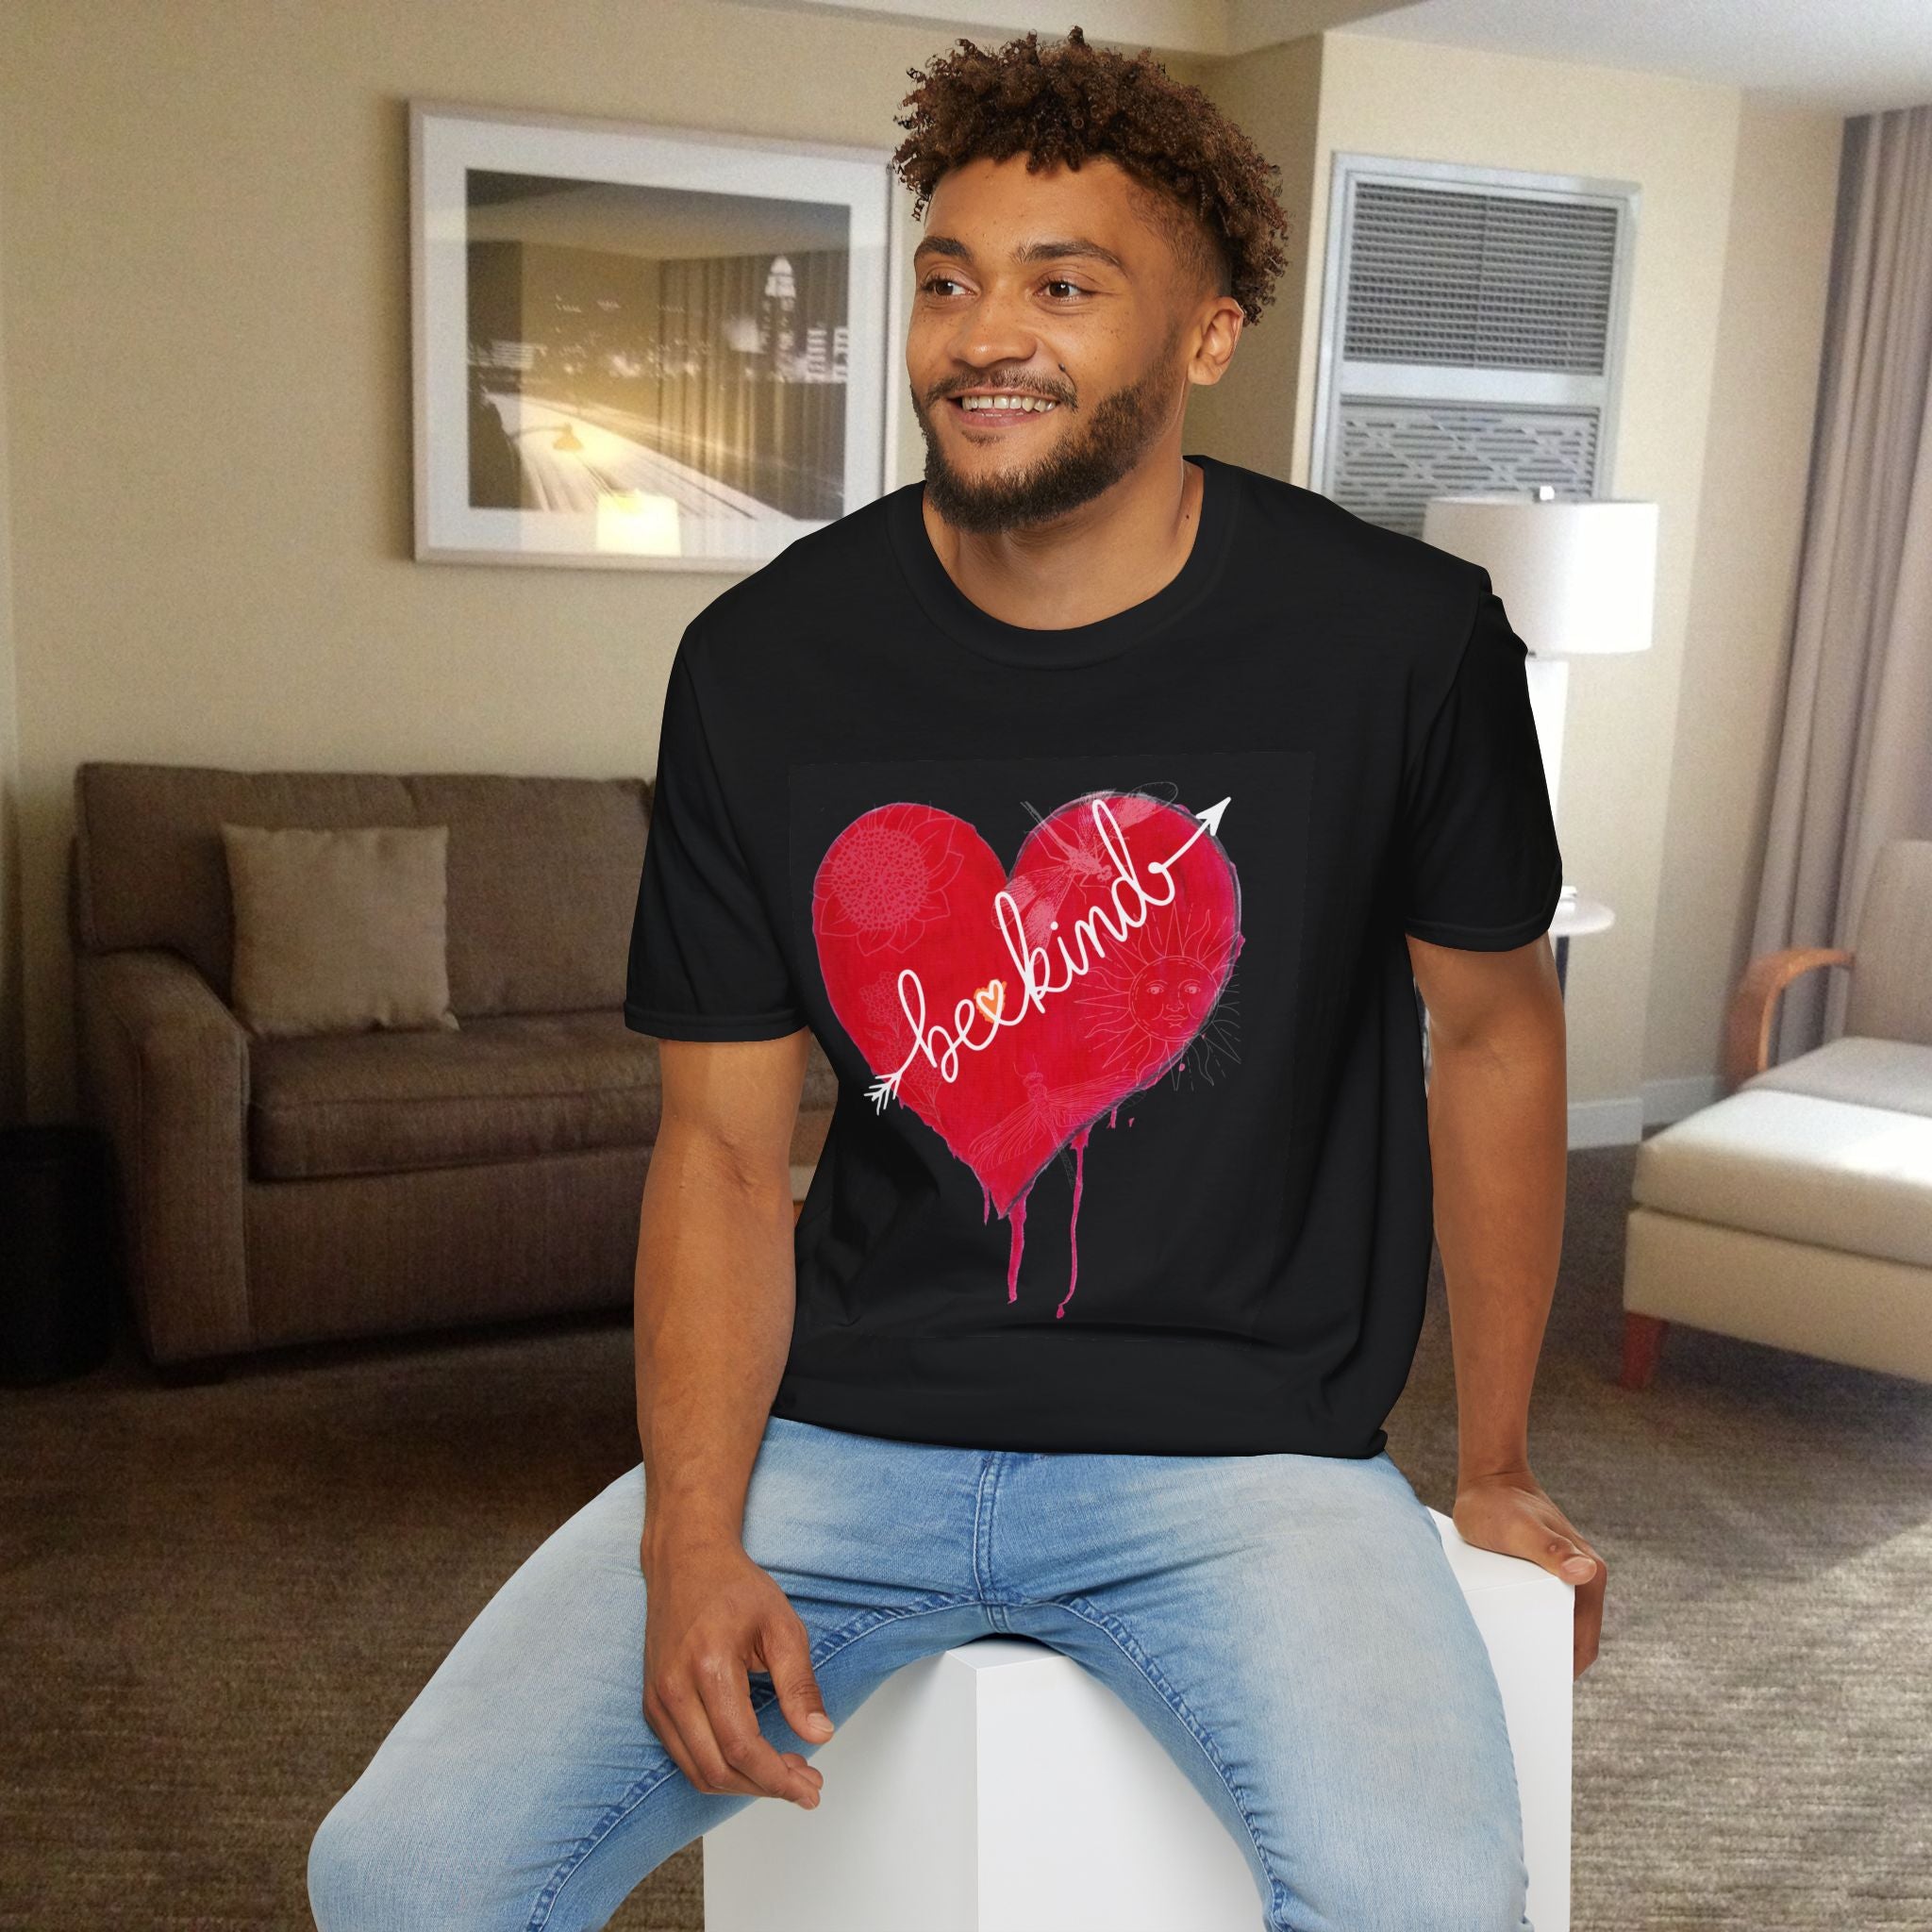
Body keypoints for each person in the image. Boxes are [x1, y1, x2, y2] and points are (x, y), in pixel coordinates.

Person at [308, 25, 1604, 1931]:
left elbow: (1494, 1033)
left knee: (1429, 1904)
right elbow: (725, 1154)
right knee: (399, 1873)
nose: (981, 332)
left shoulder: (1400, 643)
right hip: (843, 1433)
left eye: (1062, 285)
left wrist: (1491, 1462)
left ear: (1205, 338)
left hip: (1245, 1454)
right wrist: (692, 1531)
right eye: (946, 278)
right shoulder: (764, 664)